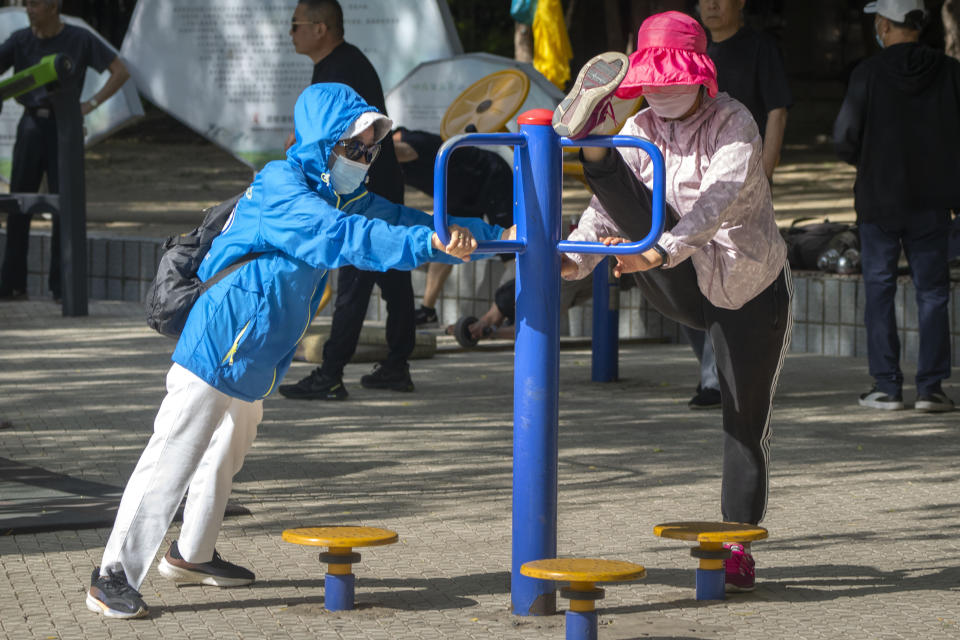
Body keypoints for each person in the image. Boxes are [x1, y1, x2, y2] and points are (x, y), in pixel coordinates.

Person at [85, 83, 513, 619]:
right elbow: (342, 237)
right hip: (222, 339)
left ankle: (191, 554)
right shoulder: (282, 188)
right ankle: (112, 575)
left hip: (255, 350)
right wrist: (431, 246)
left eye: (370, 147)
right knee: (173, 453)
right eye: (354, 146)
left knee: (225, 450)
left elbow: (400, 221)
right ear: (321, 143)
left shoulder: (337, 192)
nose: (364, 157)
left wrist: (493, 233)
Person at [553, 11, 792, 592]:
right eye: (652, 79)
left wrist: (660, 251)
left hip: (747, 286)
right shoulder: (641, 127)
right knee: (624, 188)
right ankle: (594, 150)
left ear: (701, 76)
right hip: (676, 276)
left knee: (743, 422)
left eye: (674, 78)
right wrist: (577, 259)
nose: (663, 91)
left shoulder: (735, 122)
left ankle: (738, 544)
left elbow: (718, 201)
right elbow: (608, 212)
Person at [278, 0, 416, 400]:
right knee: (393, 275)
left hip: (364, 187)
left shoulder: (341, 69)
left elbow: (347, 136)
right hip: (379, 180)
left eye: (295, 25)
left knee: (355, 276)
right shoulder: (340, 63)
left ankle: (332, 373)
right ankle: (396, 365)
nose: (291, 33)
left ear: (320, 28)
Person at [833, 0, 957, 413]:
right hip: (934, 200)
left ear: (884, 24)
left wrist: (868, 163)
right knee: (933, 293)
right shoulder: (951, 72)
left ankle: (886, 385)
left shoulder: (867, 73)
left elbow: (845, 136)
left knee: (880, 291)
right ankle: (931, 388)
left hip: (879, 200)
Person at [678, 0, 793, 410]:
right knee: (684, 281)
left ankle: (720, 378)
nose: (710, 4)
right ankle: (717, 372)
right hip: (689, 190)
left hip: (742, 186)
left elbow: (776, 112)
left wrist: (763, 173)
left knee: (734, 279)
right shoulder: (691, 51)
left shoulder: (760, 49)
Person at [0, 0, 129, 301]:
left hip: (64, 128)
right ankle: (12, 284)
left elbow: (120, 71)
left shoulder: (79, 38)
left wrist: (90, 105)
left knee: (66, 206)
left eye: (36, 4)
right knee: (19, 202)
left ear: (54, 6)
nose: (29, 9)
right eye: (27, 4)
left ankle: (63, 286)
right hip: (30, 125)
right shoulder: (21, 40)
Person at [391, 126, 514, 327]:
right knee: (446, 243)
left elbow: (402, 151)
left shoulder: (412, 141)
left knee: (510, 247)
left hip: (491, 176)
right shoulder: (395, 151)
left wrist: (371, 151)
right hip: (459, 192)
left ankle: (508, 311)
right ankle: (428, 311)